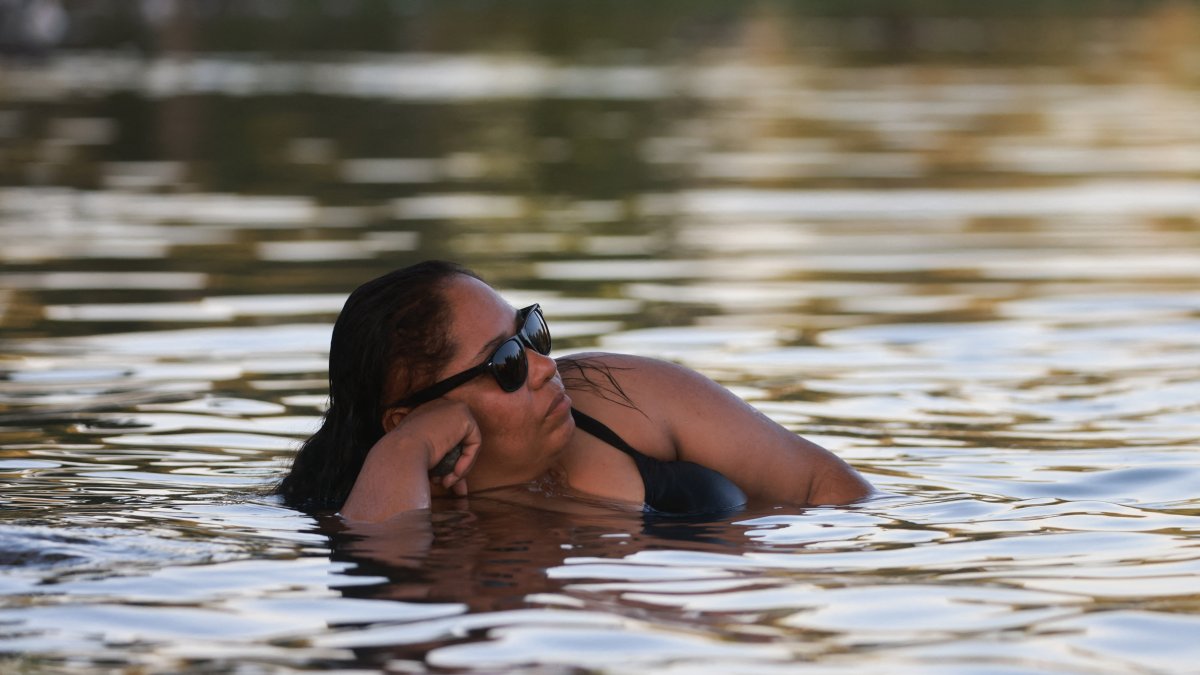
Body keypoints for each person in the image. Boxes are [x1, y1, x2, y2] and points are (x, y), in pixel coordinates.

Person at [276, 260, 872, 523]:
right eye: (506, 363)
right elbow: (388, 594)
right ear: (409, 419)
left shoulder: (616, 396)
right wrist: (407, 451)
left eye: (531, 331)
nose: (544, 366)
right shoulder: (394, 506)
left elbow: (831, 489)